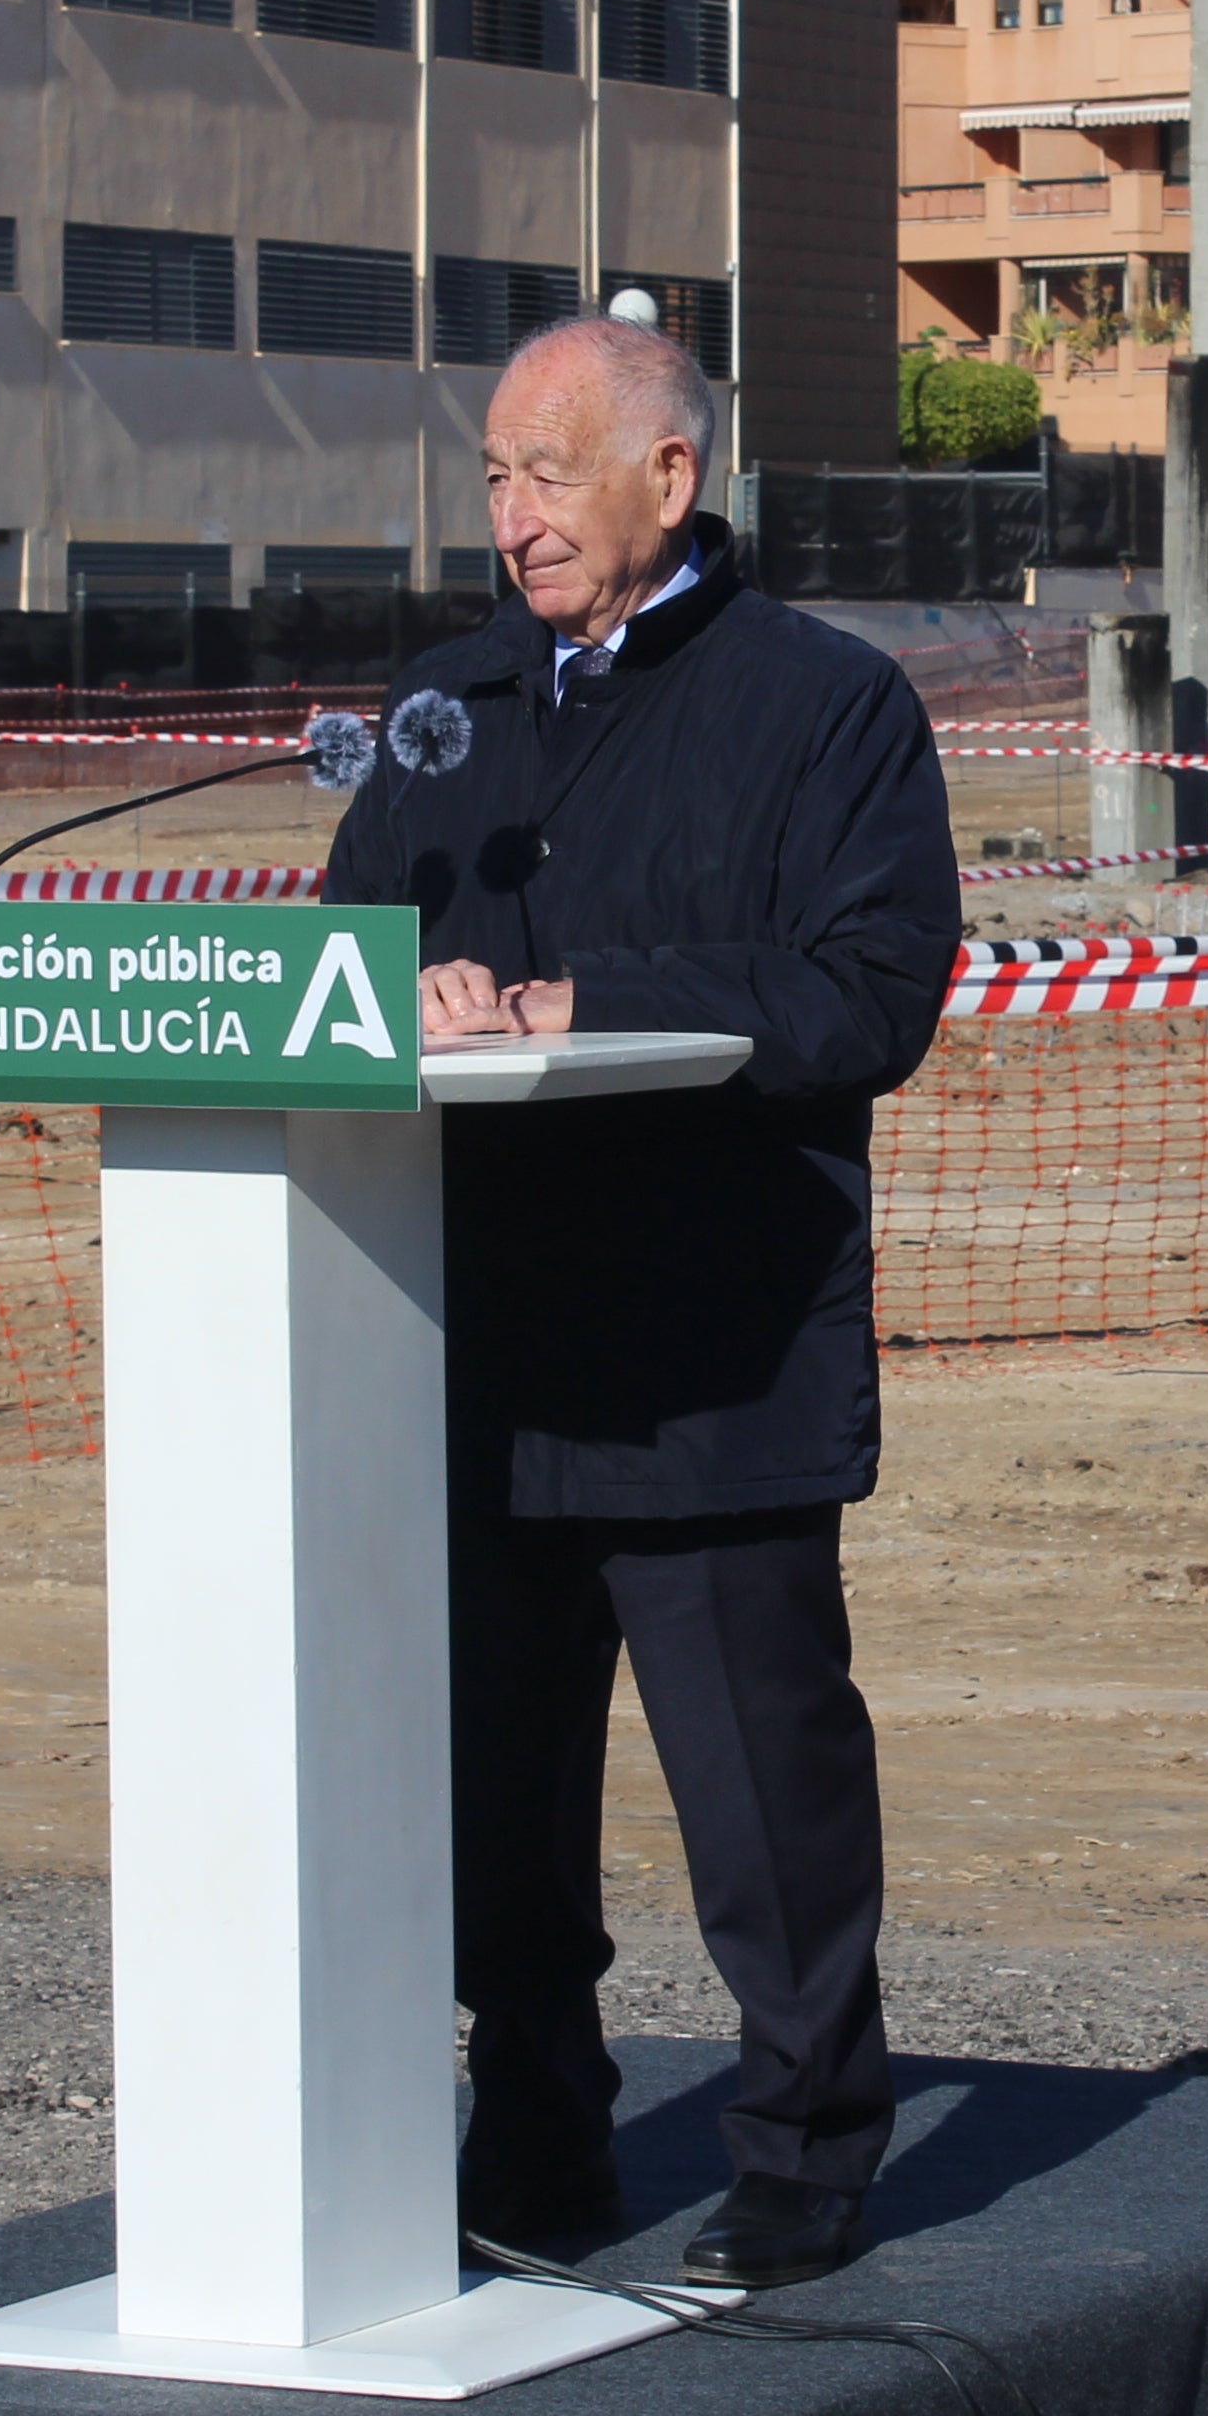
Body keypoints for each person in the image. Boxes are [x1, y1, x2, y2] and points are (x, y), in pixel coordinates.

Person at [319, 314, 958, 2293]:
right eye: (494, 477)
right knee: (496, 1817)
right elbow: (340, 966)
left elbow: (868, 994)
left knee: (764, 1810)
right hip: (477, 1353)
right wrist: (375, 998)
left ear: (668, 481)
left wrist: (589, 1001)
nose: (511, 518)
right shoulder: (444, 714)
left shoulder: (828, 709)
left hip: (709, 1356)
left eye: (549, 474)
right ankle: (536, 2133)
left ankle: (805, 2142)